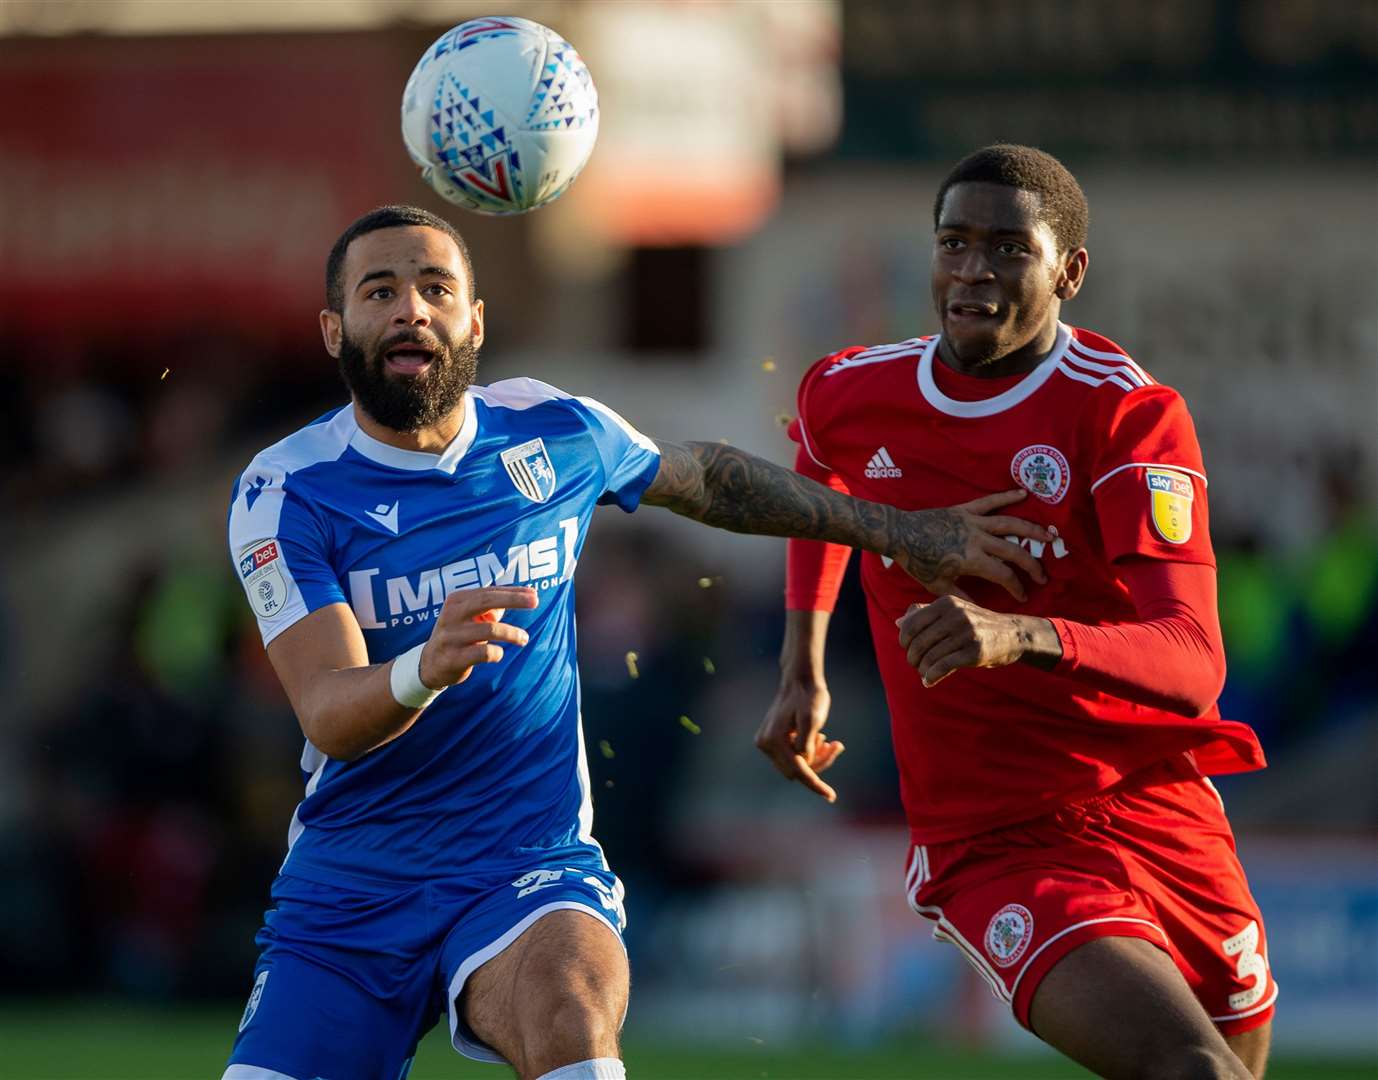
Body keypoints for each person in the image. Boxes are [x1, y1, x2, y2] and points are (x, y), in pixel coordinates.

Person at [222, 204, 1049, 1080]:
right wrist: (425, 668)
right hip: (352, 886)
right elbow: (327, 714)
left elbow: (704, 481)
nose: (411, 310)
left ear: (475, 319)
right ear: (333, 329)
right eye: (379, 291)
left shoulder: (554, 431)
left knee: (572, 1019)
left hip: (524, 868)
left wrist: (895, 529)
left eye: (436, 288)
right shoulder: (286, 490)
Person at [759, 145, 1276, 1080]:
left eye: (1007, 249)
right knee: (1190, 1070)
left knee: (1231, 1072)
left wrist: (1018, 636)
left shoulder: (1125, 417)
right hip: (991, 834)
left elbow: (1196, 659)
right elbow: (822, 486)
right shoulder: (849, 388)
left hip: (1154, 802)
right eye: (953, 242)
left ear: (1068, 271)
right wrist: (804, 663)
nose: (971, 271)